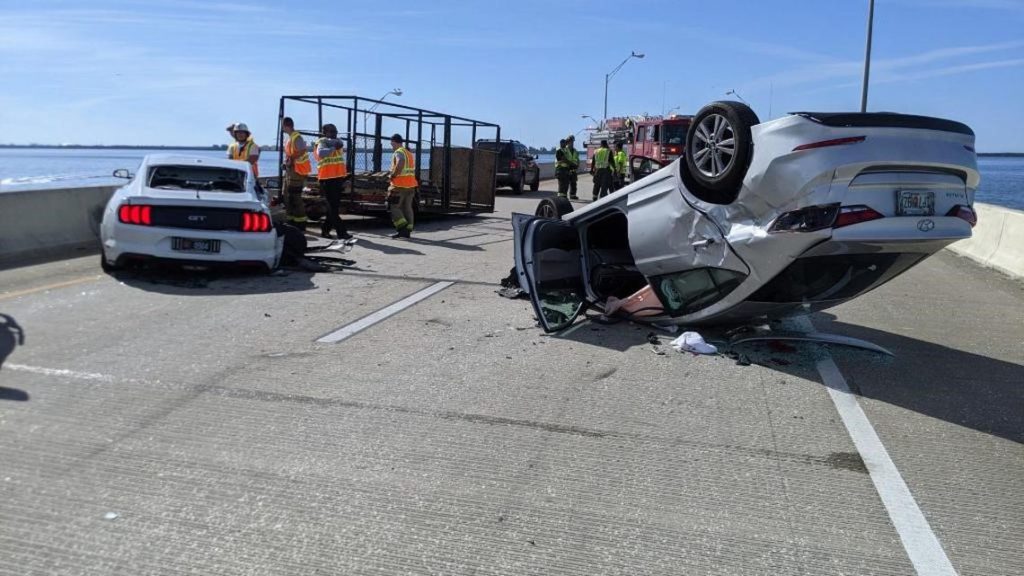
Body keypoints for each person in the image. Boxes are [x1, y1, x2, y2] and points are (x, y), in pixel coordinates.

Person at [313, 124, 353, 241]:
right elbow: (321, 153)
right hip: (327, 179)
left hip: (338, 178)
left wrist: (333, 145)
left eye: (336, 131)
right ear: (325, 132)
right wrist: (332, 148)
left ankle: (325, 229)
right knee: (332, 207)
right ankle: (342, 233)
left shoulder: (337, 141)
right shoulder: (321, 142)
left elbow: (339, 143)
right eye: (332, 131)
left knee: (333, 207)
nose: (335, 133)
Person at [281, 117, 311, 229]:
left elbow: (302, 150)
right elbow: (291, 154)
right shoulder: (290, 138)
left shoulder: (296, 137)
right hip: (291, 171)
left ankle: (300, 223)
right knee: (287, 196)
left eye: (283, 126)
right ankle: (291, 221)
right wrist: (287, 162)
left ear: (286, 126)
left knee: (295, 197)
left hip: (297, 171)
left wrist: (290, 159)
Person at [387, 134, 417, 239]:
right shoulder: (409, 153)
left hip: (399, 185)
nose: (392, 146)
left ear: (395, 142)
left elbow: (400, 162)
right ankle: (408, 230)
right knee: (407, 208)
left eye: (392, 144)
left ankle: (402, 228)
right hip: (410, 186)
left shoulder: (399, 152)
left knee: (394, 206)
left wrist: (393, 175)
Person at [564, 134, 580, 199]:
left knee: (573, 183)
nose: (572, 143)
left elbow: (577, 159)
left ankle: (572, 195)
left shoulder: (575, 151)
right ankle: (564, 196)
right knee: (565, 184)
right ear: (568, 142)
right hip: (567, 169)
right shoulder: (565, 150)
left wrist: (577, 165)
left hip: (573, 170)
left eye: (573, 141)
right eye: (571, 141)